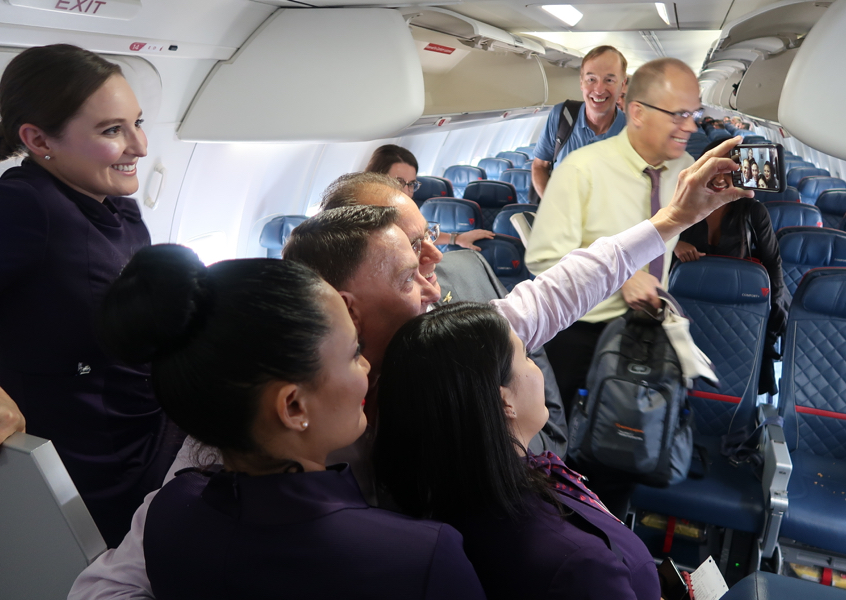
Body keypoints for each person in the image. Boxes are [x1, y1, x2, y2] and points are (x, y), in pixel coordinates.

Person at [69, 140, 751, 599]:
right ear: (345, 310)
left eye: (427, 244)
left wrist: (669, 220)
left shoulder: (441, 348)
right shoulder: (217, 468)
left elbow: (558, 291)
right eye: (410, 264)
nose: (436, 274)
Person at [97, 245, 486, 599]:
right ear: (294, 407)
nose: (367, 367)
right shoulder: (422, 557)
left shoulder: (168, 513)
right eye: (354, 353)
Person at [0, 44, 184, 546]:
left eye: (137, 122)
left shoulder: (117, 207)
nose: (140, 146)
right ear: (38, 139)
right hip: (88, 463)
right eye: (112, 130)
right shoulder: (25, 206)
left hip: (143, 431)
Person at [375, 303, 660, 600]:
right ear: (503, 401)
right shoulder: (580, 564)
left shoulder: (449, 492)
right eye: (526, 355)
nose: (538, 370)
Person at [526, 57, 707, 518]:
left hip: (643, 337)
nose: (690, 125)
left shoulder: (685, 170)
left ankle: (608, 549)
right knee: (566, 470)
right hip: (581, 341)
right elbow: (543, 261)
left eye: (695, 113)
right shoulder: (581, 170)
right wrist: (618, 278)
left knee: (621, 466)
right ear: (639, 110)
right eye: (678, 114)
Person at [318, 172, 568, 457]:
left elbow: (528, 355)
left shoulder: (470, 270)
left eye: (427, 234)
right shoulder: (338, 384)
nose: (435, 254)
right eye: (411, 245)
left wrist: (545, 452)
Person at [674, 140, 788, 395]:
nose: (721, 178)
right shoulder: (683, 202)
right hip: (689, 308)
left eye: (731, 170)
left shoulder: (753, 211)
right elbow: (652, 234)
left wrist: (774, 308)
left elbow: (772, 262)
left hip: (739, 309)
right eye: (715, 168)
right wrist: (674, 242)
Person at [530, 46, 628, 199]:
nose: (599, 89)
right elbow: (540, 166)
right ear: (581, 82)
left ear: (622, 84)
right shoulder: (561, 116)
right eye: (591, 79)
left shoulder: (634, 132)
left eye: (609, 80)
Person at [365, 144, 494, 250]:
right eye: (398, 182)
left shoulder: (401, 214)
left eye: (411, 184)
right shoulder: (360, 219)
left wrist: (456, 239)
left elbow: (418, 234)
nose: (406, 192)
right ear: (376, 179)